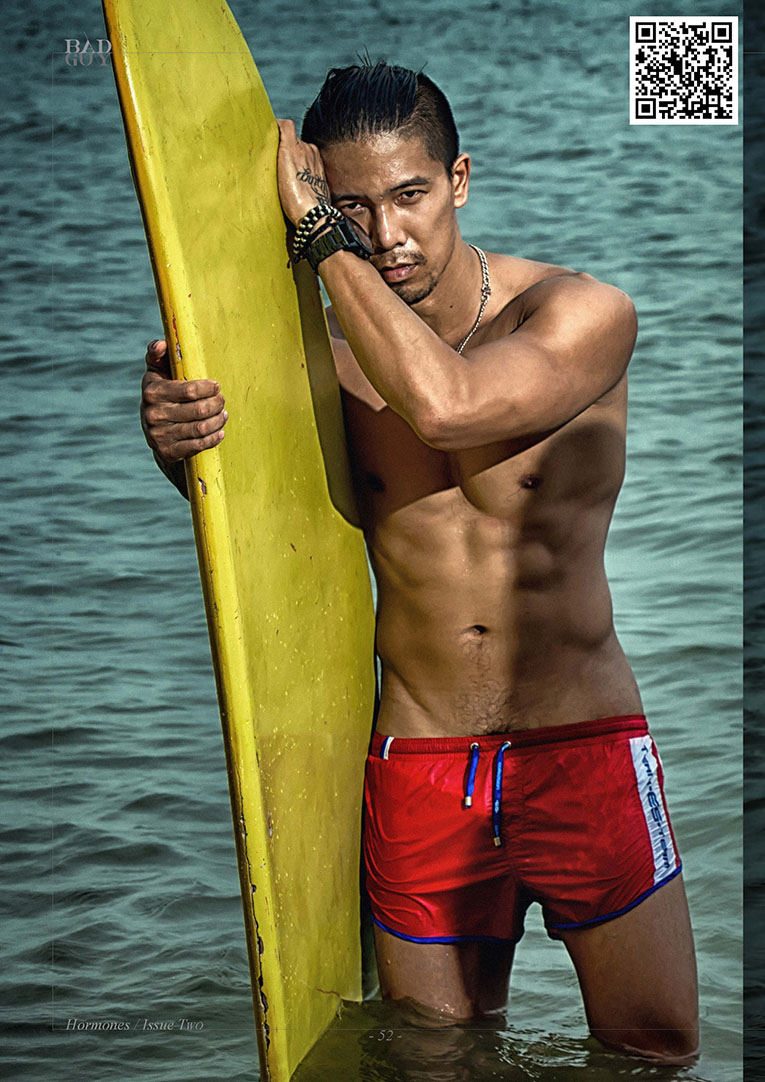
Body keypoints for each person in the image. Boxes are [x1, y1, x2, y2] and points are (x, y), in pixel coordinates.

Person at [139, 61, 699, 1064]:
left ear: (459, 181)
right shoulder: (322, 365)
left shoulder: (581, 313)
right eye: (353, 206)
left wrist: (319, 236)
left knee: (651, 1054)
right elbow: (277, 530)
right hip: (421, 763)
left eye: (409, 195)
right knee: (434, 1061)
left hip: (583, 746)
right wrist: (180, 445)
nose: (386, 233)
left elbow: (448, 406)